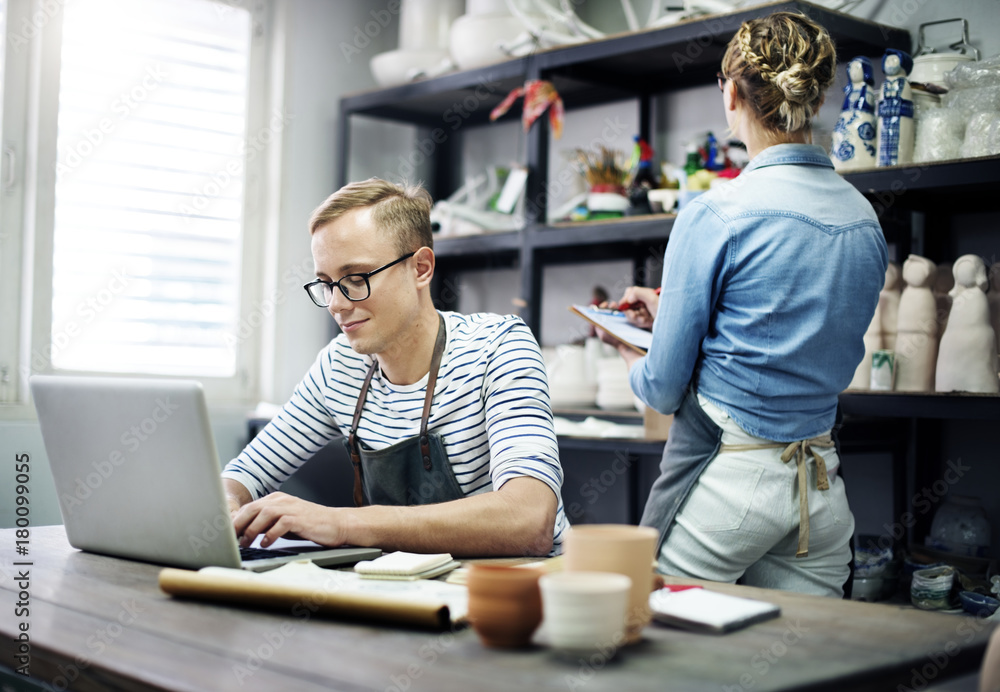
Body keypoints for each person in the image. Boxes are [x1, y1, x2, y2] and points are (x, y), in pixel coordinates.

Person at [603, 12, 887, 597]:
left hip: (726, 483)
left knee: (653, 644)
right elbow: (787, 315)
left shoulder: (717, 212)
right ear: (814, 95)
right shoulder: (864, 219)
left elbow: (661, 388)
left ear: (731, 93)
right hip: (818, 488)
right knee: (801, 665)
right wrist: (671, 309)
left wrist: (627, 354)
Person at [224, 178, 568, 557]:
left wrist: (341, 524)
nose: (337, 304)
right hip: (407, 590)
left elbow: (529, 518)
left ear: (420, 268)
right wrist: (225, 503)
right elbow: (242, 476)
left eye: (356, 279)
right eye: (327, 283)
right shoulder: (340, 366)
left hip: (514, 593)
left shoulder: (498, 347)